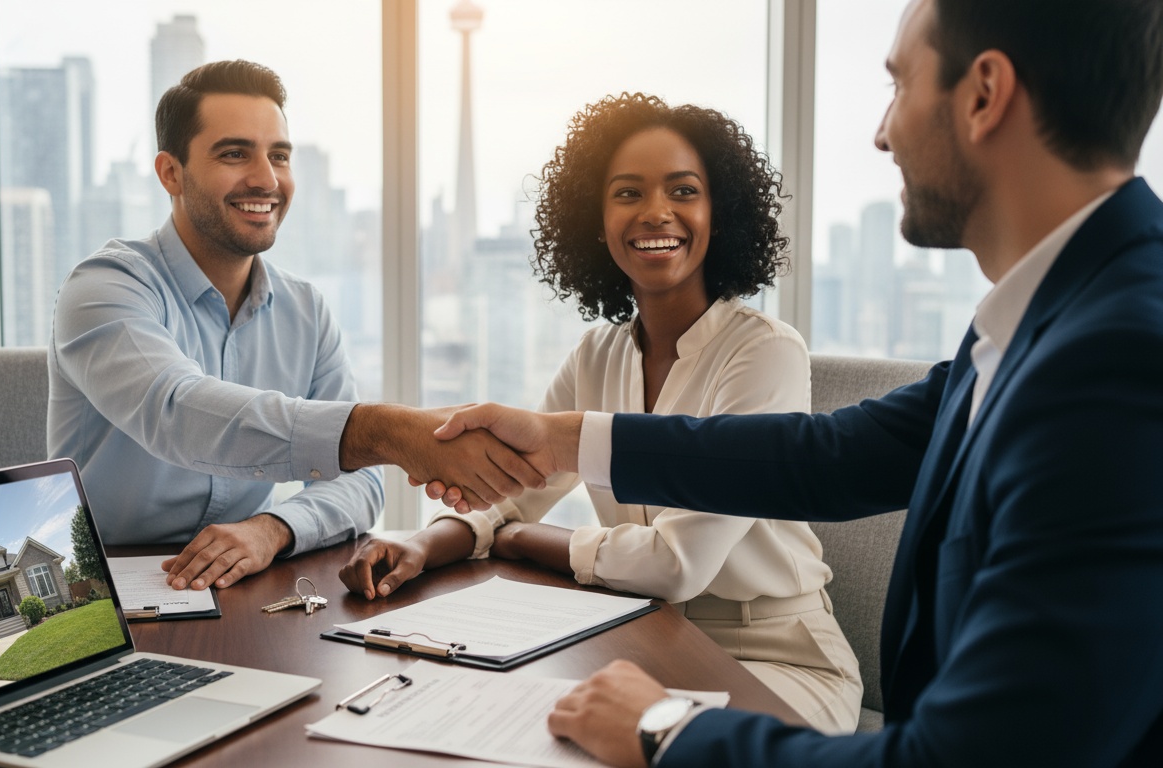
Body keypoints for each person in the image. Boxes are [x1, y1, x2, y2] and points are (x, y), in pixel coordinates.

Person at [428, 0, 1163, 765]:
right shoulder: (1044, 320)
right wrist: (558, 439)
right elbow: (823, 458)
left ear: (983, 95)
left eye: (898, 84)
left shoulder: (1120, 363)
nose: (883, 133)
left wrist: (665, 731)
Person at [339, 93, 861, 733]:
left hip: (777, 658)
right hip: (648, 644)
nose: (656, 212)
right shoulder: (597, 354)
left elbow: (676, 565)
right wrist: (419, 544)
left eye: (683, 190)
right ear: (596, 218)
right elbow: (513, 492)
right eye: (627, 193)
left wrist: (524, 541)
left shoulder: (764, 354)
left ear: (719, 213)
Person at [49, 60, 542, 594]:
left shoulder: (306, 309)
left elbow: (360, 482)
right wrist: (389, 432)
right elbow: (178, 413)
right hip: (107, 593)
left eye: (279, 155)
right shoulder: (104, 288)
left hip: (248, 590)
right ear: (171, 173)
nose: (266, 179)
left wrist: (273, 529)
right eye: (235, 153)